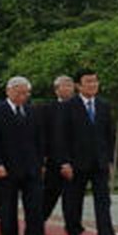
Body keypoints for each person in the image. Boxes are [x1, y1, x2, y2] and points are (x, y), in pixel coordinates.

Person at [55, 69, 118, 235]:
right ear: (78, 86)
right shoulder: (68, 106)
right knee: (74, 199)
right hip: (76, 162)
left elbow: (109, 135)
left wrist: (110, 160)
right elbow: (61, 137)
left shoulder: (103, 105)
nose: (93, 85)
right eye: (88, 82)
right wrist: (64, 162)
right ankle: (73, 230)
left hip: (99, 161)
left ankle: (106, 234)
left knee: (103, 200)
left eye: (95, 81)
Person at [0, 77, 49, 235]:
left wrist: (41, 162)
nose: (23, 96)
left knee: (35, 205)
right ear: (9, 91)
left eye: (26, 93)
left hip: (31, 167)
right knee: (8, 206)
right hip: (7, 167)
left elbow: (40, 139)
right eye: (19, 92)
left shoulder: (32, 111)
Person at [41, 75, 75, 221]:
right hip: (53, 160)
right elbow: (44, 135)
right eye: (65, 85)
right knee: (49, 194)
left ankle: (73, 229)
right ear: (56, 90)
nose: (68, 88)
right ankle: (38, 223)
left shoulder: (79, 107)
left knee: (72, 197)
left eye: (70, 85)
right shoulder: (47, 109)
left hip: (75, 160)